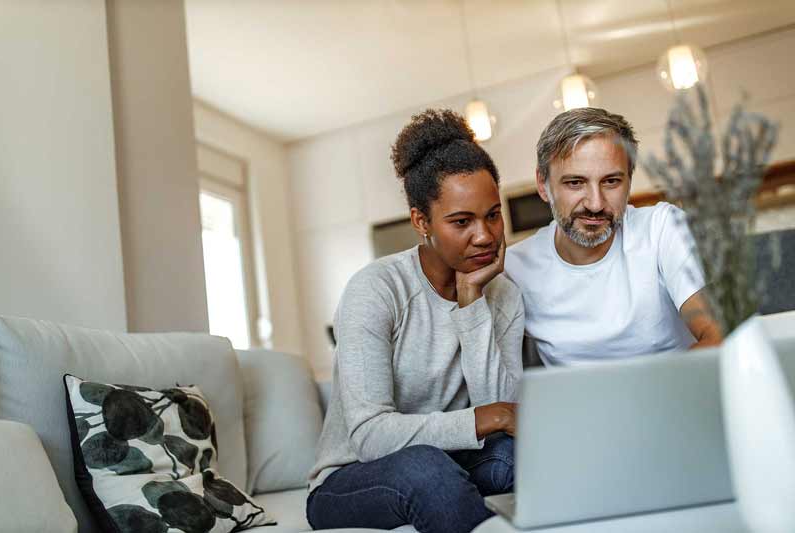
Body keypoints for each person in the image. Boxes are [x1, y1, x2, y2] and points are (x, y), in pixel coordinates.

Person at [306, 109, 524, 533]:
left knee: (523, 456)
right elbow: (370, 435)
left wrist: (471, 302)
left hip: (452, 459)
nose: (485, 235)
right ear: (421, 221)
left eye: (493, 215)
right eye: (462, 221)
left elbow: (505, 412)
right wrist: (489, 417)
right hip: (351, 478)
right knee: (425, 471)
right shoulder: (376, 290)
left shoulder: (505, 295)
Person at [505, 107, 722, 366]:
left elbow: (721, 336)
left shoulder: (662, 228)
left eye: (611, 182)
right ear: (543, 184)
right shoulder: (514, 269)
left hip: (677, 398)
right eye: (575, 182)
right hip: (582, 407)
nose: (595, 204)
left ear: (629, 181)